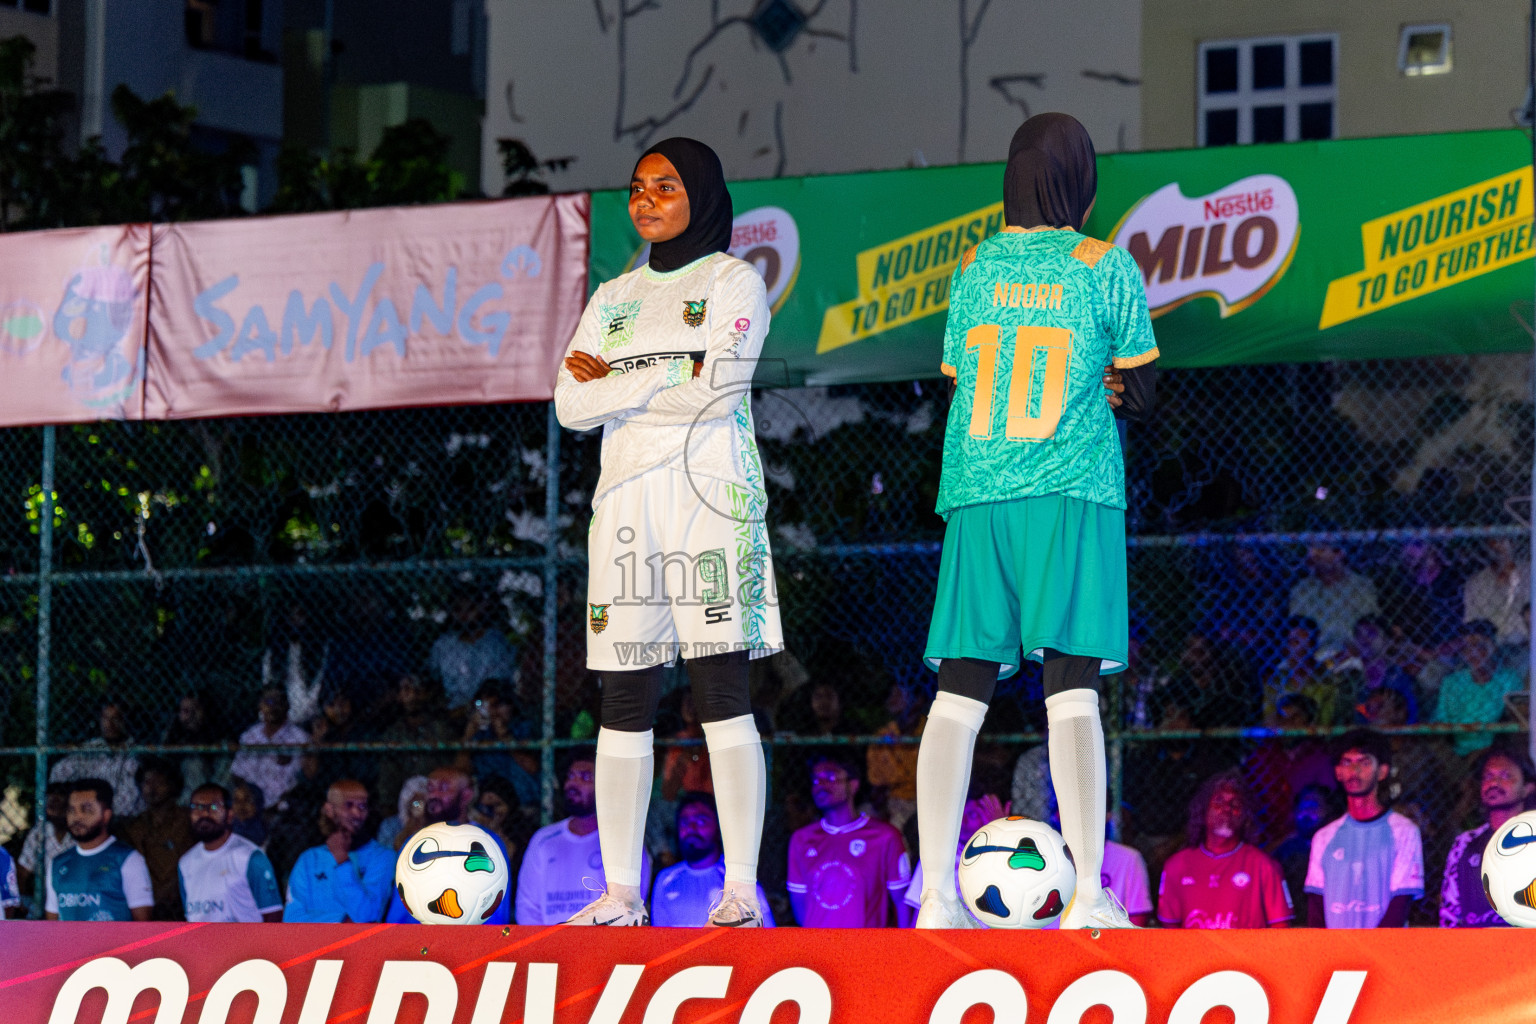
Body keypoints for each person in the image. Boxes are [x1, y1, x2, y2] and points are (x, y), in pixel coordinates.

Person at [914, 113, 1157, 931]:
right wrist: (1109, 389)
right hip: (1069, 488)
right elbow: (1145, 390)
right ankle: (1089, 892)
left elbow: (956, 381)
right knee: (1072, 693)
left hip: (978, 492)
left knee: (959, 694)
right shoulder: (1102, 264)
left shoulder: (977, 265)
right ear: (1080, 180)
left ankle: (936, 899)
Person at [554, 137, 781, 929]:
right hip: (624, 505)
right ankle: (620, 895)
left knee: (721, 691)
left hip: (708, 497)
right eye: (637, 187)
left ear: (704, 196)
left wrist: (619, 380)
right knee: (625, 696)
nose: (647, 200)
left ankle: (742, 890)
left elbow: (719, 388)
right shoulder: (612, 297)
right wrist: (660, 376)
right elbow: (569, 406)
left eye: (667, 186)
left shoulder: (732, 280)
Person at [1305, 730, 1424, 928]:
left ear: (1383, 771)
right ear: (1338, 772)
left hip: (1383, 953)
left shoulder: (1404, 831)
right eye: (1346, 762)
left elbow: (1401, 902)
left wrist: (1373, 952)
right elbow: (1316, 904)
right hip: (1336, 954)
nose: (1354, 770)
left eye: (1364, 762)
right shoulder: (1323, 837)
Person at [517, 753, 652, 925]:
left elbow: (630, 904)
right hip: (547, 948)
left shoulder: (623, 841)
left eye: (586, 777)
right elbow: (527, 907)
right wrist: (543, 947)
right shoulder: (544, 839)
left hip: (601, 948)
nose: (574, 783)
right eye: (570, 776)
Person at [787, 753, 913, 928]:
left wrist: (903, 948)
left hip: (865, 949)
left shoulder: (885, 836)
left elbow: (902, 903)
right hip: (818, 949)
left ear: (853, 785)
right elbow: (801, 907)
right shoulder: (801, 839)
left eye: (830, 777)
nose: (820, 785)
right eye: (815, 780)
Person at [1156, 771, 1293, 929]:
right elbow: (1169, 933)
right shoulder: (1176, 866)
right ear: (1203, 810)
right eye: (1218, 801)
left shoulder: (1264, 866)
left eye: (1235, 804)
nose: (1226, 808)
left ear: (1244, 816)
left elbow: (1281, 929)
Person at [386, 765, 513, 924]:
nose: (433, 795)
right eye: (430, 788)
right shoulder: (413, 843)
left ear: (467, 795)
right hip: (419, 944)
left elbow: (496, 911)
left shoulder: (488, 843)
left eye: (443, 788)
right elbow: (399, 912)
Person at [1440, 746, 1536, 927]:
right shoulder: (1465, 843)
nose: (1494, 783)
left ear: (1527, 788)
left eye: (1506, 776)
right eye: (1488, 776)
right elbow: (1450, 914)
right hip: (1476, 951)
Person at [650, 792, 775, 927]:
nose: (692, 828)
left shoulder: (738, 876)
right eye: (685, 822)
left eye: (701, 821)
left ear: (719, 827)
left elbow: (766, 931)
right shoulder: (665, 878)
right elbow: (659, 936)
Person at [284, 779, 395, 923]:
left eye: (362, 806)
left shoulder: (383, 857)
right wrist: (342, 921)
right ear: (329, 810)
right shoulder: (309, 859)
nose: (357, 813)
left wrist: (342, 861)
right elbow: (291, 919)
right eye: (348, 805)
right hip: (314, 945)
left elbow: (367, 917)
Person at [45, 779, 153, 922]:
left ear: (106, 815)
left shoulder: (128, 859)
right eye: (71, 810)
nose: (77, 817)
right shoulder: (57, 864)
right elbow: (51, 925)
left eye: (86, 809)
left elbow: (143, 926)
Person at [177, 783, 283, 923]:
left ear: (229, 814)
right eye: (196, 807)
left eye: (214, 807)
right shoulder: (185, 863)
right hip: (202, 943)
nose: (203, 813)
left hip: (246, 944)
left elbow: (273, 916)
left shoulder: (250, 858)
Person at [116, 757, 196, 921]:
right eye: (147, 782)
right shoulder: (135, 827)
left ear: (173, 786)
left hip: (183, 900)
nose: (152, 788)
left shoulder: (188, 820)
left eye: (159, 782)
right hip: (147, 903)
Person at [1433, 619, 1523, 757]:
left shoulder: (1509, 679)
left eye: (1479, 646)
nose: (1472, 653)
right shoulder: (1452, 682)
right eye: (1466, 648)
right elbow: (1441, 720)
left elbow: (1514, 719)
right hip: (1457, 753)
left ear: (1493, 646)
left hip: (1495, 753)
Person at [376, 673, 456, 813]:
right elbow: (387, 776)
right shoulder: (393, 733)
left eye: (418, 690)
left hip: (436, 800)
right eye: (407, 689)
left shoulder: (441, 730)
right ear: (399, 696)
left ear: (426, 695)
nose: (412, 696)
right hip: (402, 803)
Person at [49, 699, 143, 816]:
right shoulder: (91, 748)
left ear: (125, 721)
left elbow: (133, 798)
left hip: (123, 817)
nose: (109, 724)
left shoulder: (135, 753)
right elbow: (60, 771)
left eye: (116, 718)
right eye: (105, 718)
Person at [1288, 544, 1379, 656]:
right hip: (1315, 653)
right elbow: (1299, 627)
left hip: (1355, 652)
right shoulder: (1302, 588)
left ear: (1339, 553)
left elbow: (1369, 623)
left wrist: (1352, 649)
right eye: (1311, 550)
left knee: (1370, 634)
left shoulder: (1362, 585)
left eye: (1321, 549)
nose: (1313, 555)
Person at [230, 687, 310, 807]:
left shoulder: (300, 738)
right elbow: (237, 774)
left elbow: (302, 781)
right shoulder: (250, 736)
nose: (274, 707)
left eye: (279, 702)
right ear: (260, 705)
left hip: (285, 806)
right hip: (251, 805)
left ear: (287, 706)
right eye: (269, 702)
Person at [867, 682, 924, 829]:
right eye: (892, 695)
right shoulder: (882, 736)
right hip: (895, 800)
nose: (891, 700)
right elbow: (877, 784)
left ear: (918, 700)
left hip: (926, 798)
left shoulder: (931, 730)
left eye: (899, 695)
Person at [1271, 784, 1333, 910]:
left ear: (1327, 810)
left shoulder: (1335, 847)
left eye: (1314, 807)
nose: (1306, 813)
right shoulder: (1285, 849)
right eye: (1303, 807)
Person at [1463, 538, 1529, 646]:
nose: (1501, 546)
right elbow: (1472, 624)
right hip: (1495, 645)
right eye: (1495, 540)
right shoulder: (1475, 583)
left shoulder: (1530, 571)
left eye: (1506, 539)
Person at [18, 782, 74, 902]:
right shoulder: (40, 831)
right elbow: (22, 872)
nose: (53, 805)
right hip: (46, 901)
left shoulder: (81, 832)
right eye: (50, 802)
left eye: (59, 801)